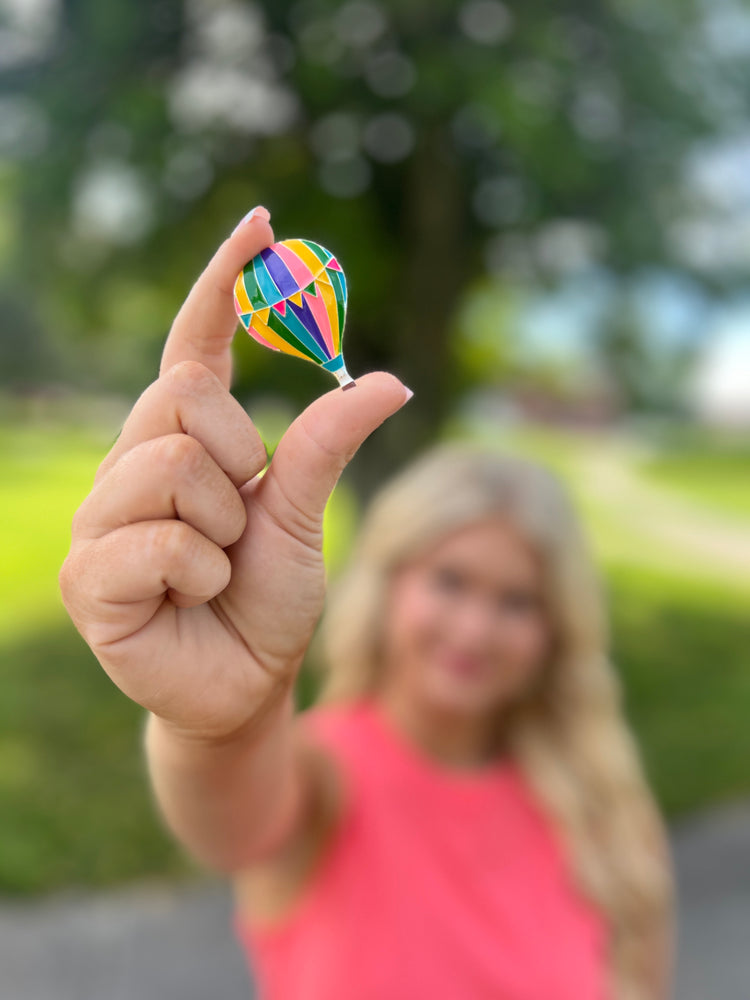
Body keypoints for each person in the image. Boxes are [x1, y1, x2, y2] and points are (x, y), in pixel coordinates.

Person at [60, 206, 675, 1000]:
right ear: (388, 585)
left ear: (558, 627)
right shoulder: (324, 781)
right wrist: (220, 724)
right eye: (450, 581)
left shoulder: (608, 814)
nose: (474, 627)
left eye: (517, 601)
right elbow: (234, 816)